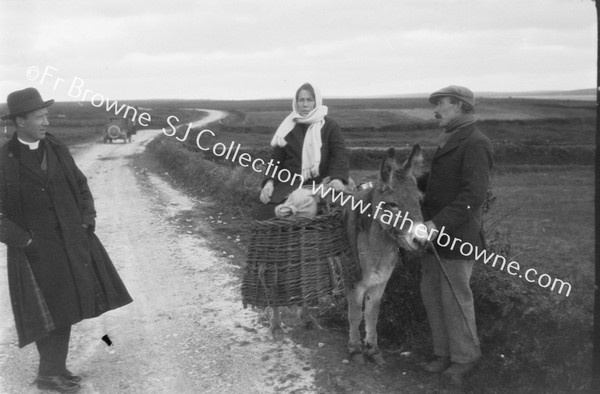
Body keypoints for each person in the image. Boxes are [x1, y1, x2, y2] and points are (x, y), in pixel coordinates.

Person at [0, 88, 133, 393]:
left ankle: (55, 370)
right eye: (39, 116)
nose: (46, 120)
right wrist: (25, 241)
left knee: (68, 307)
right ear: (20, 121)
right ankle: (49, 374)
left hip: (70, 243)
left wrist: (87, 219)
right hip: (32, 251)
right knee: (46, 311)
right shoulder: (5, 160)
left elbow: (81, 184)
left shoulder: (57, 148)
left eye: (46, 114)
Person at [418, 85, 494, 385]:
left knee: (455, 298)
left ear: (460, 107)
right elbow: (437, 182)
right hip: (434, 235)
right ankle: (443, 354)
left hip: (456, 235)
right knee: (433, 296)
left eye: (442, 104)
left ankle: (466, 358)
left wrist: (437, 225)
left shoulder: (476, 142)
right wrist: (408, 181)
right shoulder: (450, 137)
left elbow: (472, 195)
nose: (436, 110)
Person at [253, 82, 349, 220]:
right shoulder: (287, 127)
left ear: (316, 102)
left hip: (320, 182)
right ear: (296, 102)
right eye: (301, 100)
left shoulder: (330, 126)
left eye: (309, 100)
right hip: (289, 182)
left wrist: (337, 179)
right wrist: (269, 183)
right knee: (263, 208)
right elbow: (276, 160)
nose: (305, 104)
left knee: (304, 205)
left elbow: (340, 154)